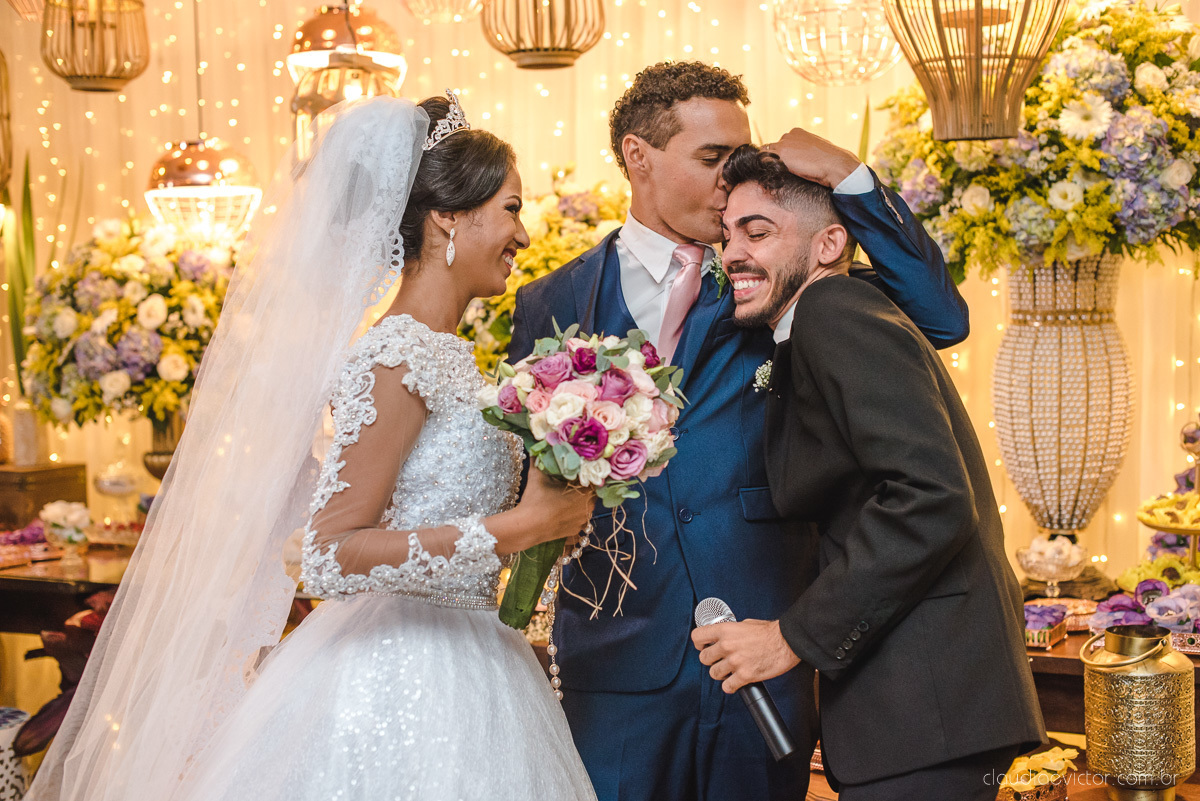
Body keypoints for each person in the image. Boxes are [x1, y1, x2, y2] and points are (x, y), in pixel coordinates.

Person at [27, 94, 598, 801]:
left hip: (480, 657)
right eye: (511, 207)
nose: (522, 230)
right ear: (448, 216)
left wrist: (547, 527)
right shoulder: (394, 356)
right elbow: (330, 552)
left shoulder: (452, 356)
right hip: (401, 675)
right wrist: (516, 527)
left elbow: (441, 515)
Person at [508, 60, 970, 801]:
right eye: (711, 158)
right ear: (638, 156)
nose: (735, 177)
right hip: (616, 654)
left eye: (740, 153)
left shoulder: (777, 270)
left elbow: (941, 316)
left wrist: (852, 179)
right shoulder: (551, 300)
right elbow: (529, 470)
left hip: (767, 641)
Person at [691, 145, 1045, 801]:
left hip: (927, 704)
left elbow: (931, 497)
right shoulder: (823, 321)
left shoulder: (835, 311)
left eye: (758, 230)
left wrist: (791, 637)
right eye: (726, 233)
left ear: (830, 243)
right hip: (933, 711)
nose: (732, 251)